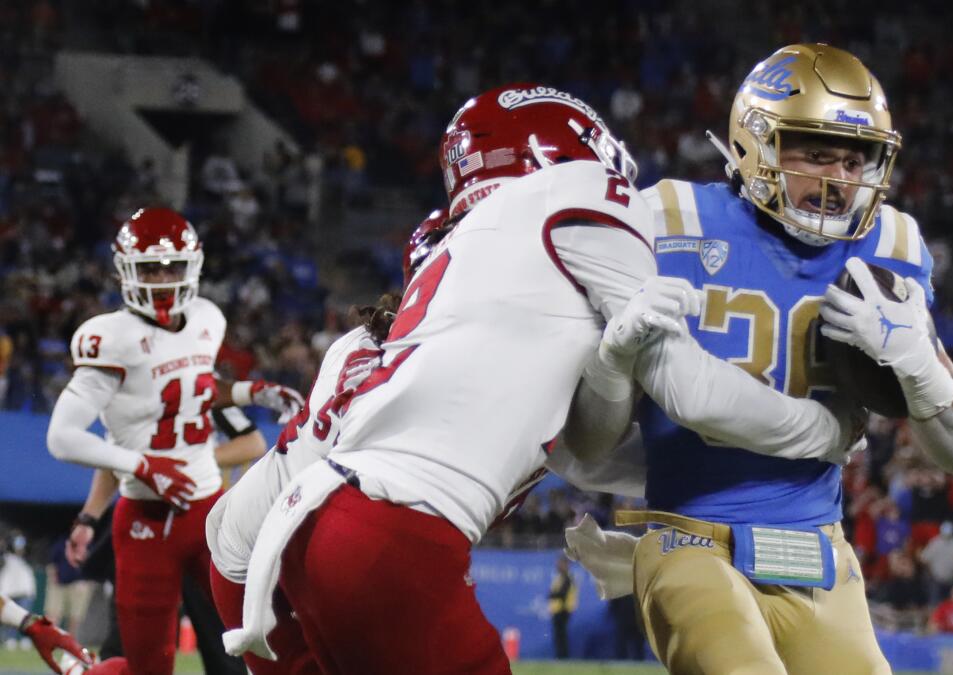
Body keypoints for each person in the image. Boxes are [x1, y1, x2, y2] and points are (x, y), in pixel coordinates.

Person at [226, 84, 863, 674]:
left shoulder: (463, 313)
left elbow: (588, 456)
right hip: (398, 538)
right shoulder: (578, 193)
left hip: (322, 531)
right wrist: (818, 431)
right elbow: (686, 389)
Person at [568, 43, 953, 674]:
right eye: (815, 153)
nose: (839, 178)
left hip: (818, 547)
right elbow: (610, 431)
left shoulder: (891, 246)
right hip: (691, 537)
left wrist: (919, 366)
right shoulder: (671, 217)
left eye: (854, 159)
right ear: (755, 143)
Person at [44, 207, 302, 675]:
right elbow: (62, 438)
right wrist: (143, 466)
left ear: (193, 267)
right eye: (150, 267)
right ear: (127, 271)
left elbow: (195, 385)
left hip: (210, 511)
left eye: (172, 266)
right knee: (149, 667)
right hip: (146, 519)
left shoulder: (207, 319)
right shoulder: (111, 337)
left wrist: (249, 391)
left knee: (270, 633)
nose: (163, 278)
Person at [548, 556, 578, 659]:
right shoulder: (560, 577)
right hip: (558, 610)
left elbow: (561, 594)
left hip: (563, 610)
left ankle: (562, 657)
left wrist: (553, 595)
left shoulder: (567, 578)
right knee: (559, 636)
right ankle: (560, 656)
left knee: (561, 636)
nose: (558, 565)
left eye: (560, 563)